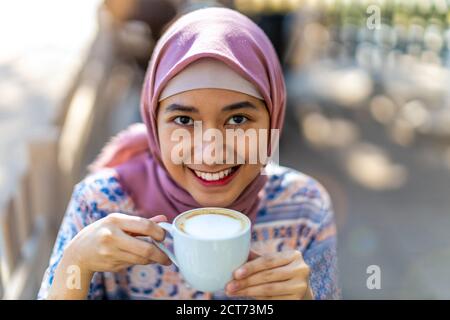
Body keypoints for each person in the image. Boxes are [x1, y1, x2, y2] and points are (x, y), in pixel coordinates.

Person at [38, 7, 340, 300]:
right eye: (183, 120)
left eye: (238, 119)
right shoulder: (99, 206)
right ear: (154, 126)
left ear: (273, 119)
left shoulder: (305, 207)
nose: (210, 155)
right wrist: (75, 265)